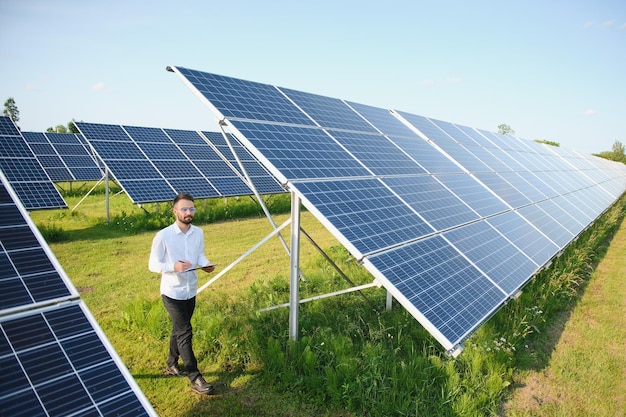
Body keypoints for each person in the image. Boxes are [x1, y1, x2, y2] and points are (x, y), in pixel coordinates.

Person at [149, 193, 216, 395]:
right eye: (184, 209)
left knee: (179, 329)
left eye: (191, 209)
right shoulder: (163, 236)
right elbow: (153, 264)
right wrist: (173, 266)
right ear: (175, 211)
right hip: (172, 293)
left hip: (190, 290)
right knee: (185, 331)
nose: (189, 213)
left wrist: (205, 264)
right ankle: (195, 376)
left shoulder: (199, 233)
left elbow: (200, 255)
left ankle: (171, 363)